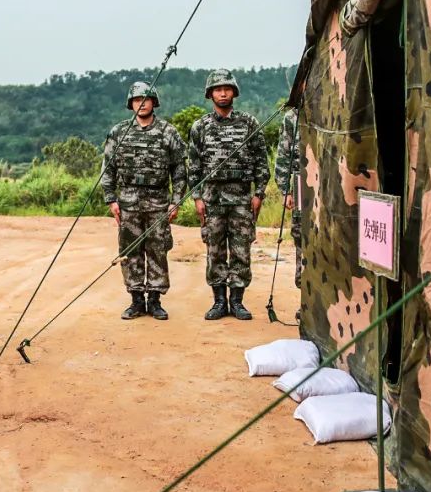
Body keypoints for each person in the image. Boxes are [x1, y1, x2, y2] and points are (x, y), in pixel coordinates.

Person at [100, 81, 188, 320]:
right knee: (130, 251)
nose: (142, 103)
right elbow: (108, 169)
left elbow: (179, 169)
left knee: (157, 250)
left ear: (154, 102)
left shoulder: (168, 132)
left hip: (158, 200)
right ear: (131, 104)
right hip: (128, 200)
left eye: (146, 99)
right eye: (137, 100)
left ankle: (156, 300)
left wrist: (176, 201)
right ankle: (136, 300)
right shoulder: (119, 132)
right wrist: (111, 200)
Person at [188, 68, 270, 321]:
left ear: (234, 92)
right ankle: (219, 302)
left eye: (226, 89)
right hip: (212, 197)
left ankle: (237, 302)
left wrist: (259, 193)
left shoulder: (249, 123)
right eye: (217, 90)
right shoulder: (200, 126)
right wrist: (197, 198)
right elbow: (193, 165)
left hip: (241, 197)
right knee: (215, 250)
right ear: (210, 94)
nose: (222, 93)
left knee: (241, 250)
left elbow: (260, 161)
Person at [274, 106, 303, 295]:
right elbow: (284, 154)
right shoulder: (293, 116)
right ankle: (306, 298)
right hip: (303, 184)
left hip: (334, 185)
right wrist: (286, 190)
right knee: (302, 237)